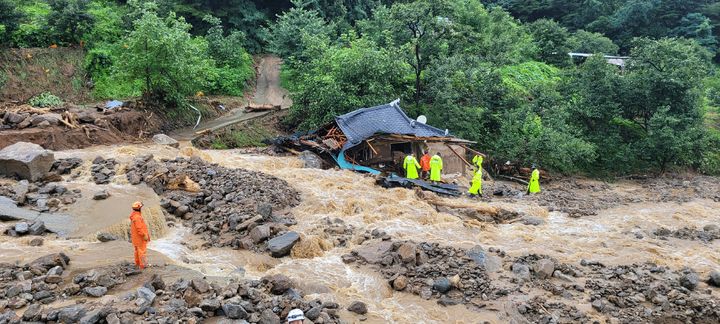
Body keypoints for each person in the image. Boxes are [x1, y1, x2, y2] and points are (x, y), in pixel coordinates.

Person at [130, 201, 150, 269]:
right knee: (142, 251)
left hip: (135, 238)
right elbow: (139, 228)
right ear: (139, 208)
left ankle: (137, 264)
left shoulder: (134, 216)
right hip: (140, 238)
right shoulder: (137, 217)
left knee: (137, 250)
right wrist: (144, 235)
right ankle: (142, 265)